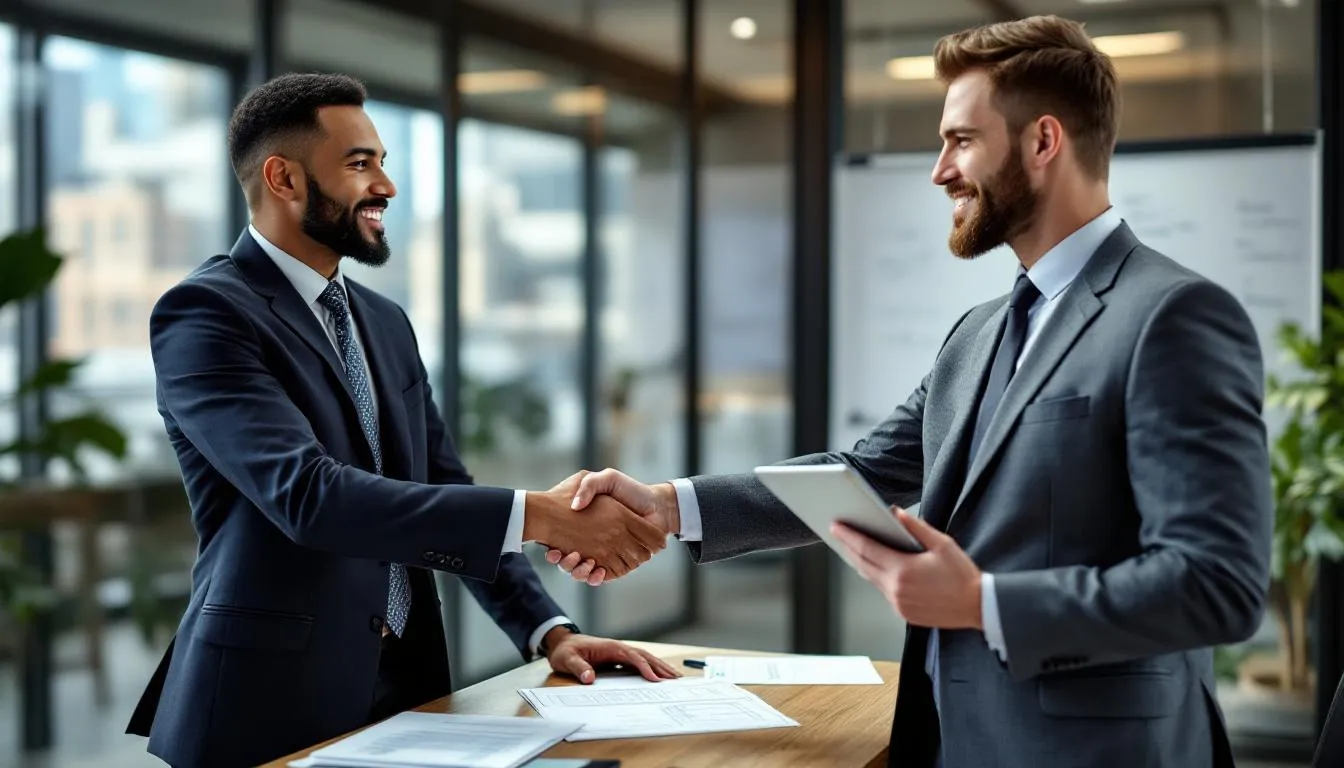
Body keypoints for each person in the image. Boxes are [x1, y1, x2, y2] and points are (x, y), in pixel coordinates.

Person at [550, 15, 1272, 768]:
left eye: (961, 140)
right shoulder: (980, 330)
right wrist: (667, 507)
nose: (940, 170)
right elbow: (861, 472)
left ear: (1042, 141)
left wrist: (981, 603)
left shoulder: (1173, 315)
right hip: (952, 736)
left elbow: (1217, 583)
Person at [125, 72, 677, 768]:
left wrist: (548, 629)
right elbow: (308, 497)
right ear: (283, 178)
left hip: (406, 688)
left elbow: (442, 482)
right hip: (264, 704)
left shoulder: (383, 322)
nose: (385, 185)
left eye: (383, 161)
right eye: (360, 164)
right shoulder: (206, 315)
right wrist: (541, 515)